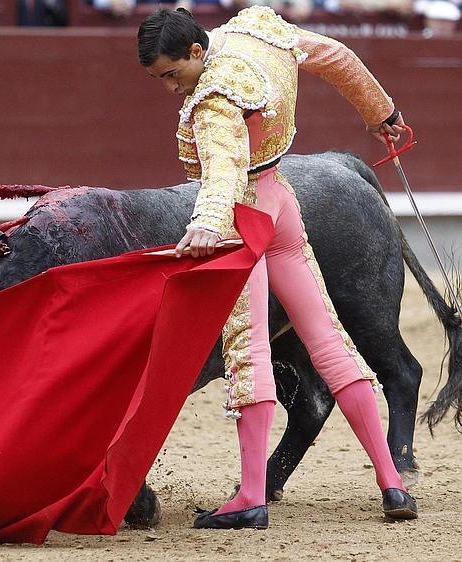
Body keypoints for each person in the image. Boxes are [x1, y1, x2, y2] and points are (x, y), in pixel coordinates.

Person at [137, 6, 418, 530]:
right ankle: (392, 482)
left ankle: (250, 497)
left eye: (172, 75)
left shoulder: (215, 98)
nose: (171, 88)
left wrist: (207, 223)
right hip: (282, 202)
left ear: (197, 52)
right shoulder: (259, 31)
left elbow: (223, 171)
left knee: (250, 351)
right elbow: (338, 57)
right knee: (330, 340)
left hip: (244, 217)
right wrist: (380, 111)